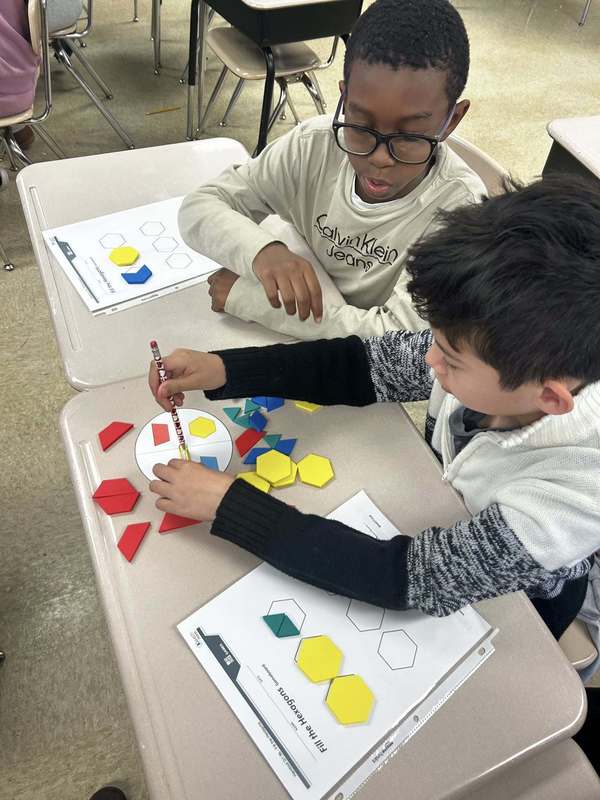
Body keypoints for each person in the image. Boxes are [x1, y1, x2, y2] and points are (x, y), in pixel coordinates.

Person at [151, 175, 600, 640]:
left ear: (549, 397)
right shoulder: (499, 346)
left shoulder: (573, 496)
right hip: (449, 507)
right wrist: (224, 369)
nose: (429, 360)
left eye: (448, 358)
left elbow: (406, 578)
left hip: (521, 607)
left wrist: (230, 506)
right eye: (436, 340)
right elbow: (366, 364)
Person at [179, 0, 486, 340]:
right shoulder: (313, 146)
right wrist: (263, 252)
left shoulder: (461, 216)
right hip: (294, 338)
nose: (381, 158)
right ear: (345, 98)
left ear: (451, 121)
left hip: (356, 375)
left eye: (409, 136)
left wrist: (251, 301)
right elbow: (200, 206)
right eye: (360, 125)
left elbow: (399, 341)